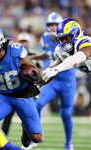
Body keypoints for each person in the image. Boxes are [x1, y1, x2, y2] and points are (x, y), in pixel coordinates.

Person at [42, 18, 91, 131]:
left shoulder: (85, 43)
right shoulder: (62, 51)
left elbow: (78, 57)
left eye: (66, 38)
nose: (64, 42)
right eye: (61, 39)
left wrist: (57, 69)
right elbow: (52, 69)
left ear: (76, 34)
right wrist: (38, 84)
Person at [29, 12, 76, 150]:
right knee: (38, 105)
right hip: (52, 80)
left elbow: (62, 59)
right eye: (51, 25)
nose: (54, 27)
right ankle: (37, 136)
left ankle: (68, 143)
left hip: (67, 80)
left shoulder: (68, 38)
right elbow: (49, 54)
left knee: (66, 113)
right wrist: (35, 57)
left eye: (56, 24)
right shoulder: (45, 37)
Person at [1, 32, 42, 136]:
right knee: (8, 115)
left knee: (27, 116)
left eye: (25, 41)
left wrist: (37, 80)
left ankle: (27, 133)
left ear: (29, 42)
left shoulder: (34, 55)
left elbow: (40, 72)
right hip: (14, 88)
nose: (23, 43)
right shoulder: (13, 54)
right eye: (21, 41)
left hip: (28, 90)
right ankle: (3, 137)